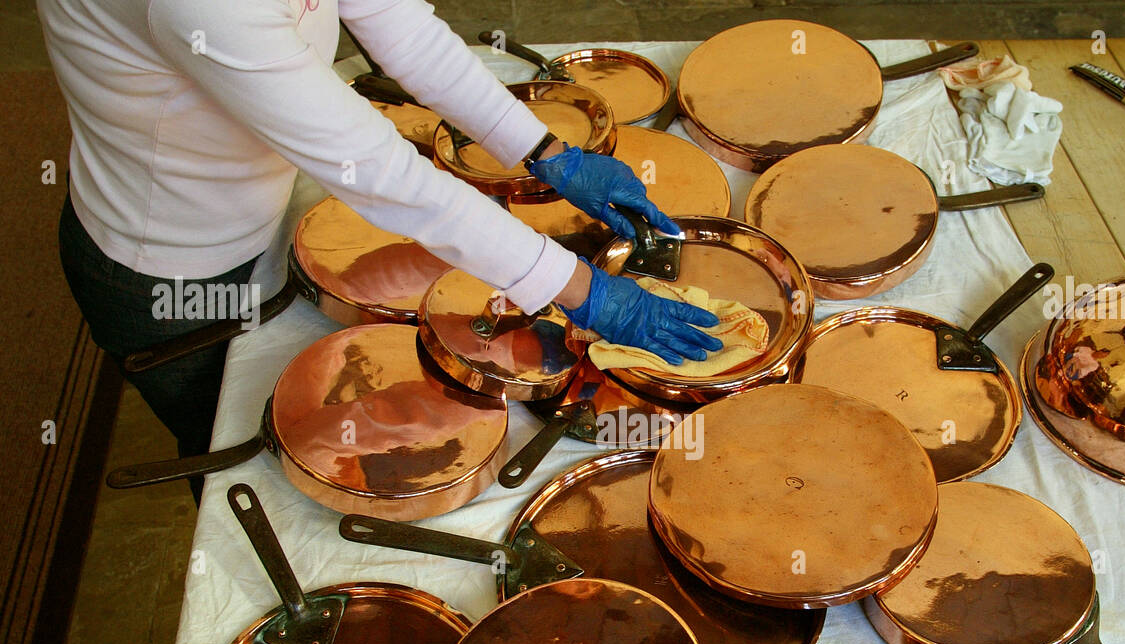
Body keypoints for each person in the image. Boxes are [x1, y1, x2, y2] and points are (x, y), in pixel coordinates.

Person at [37, 0, 721, 497]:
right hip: (171, 272)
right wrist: (582, 291)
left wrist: (543, 151)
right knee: (249, 460)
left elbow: (405, 30)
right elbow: (381, 174)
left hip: (262, 207)